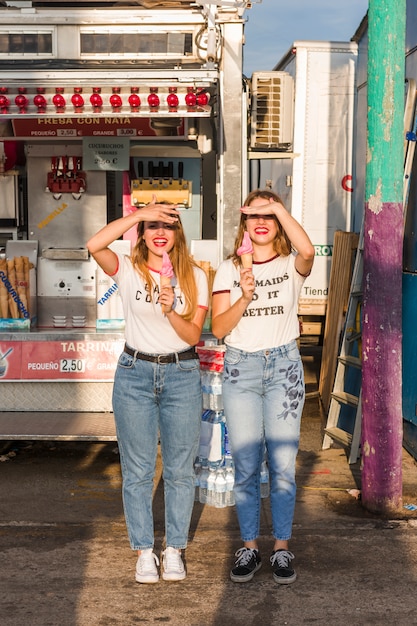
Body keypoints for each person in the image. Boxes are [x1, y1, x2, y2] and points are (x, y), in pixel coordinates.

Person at [86, 196, 208, 584]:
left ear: (178, 234)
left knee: (178, 470)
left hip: (181, 373)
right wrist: (139, 213)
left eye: (168, 225)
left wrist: (172, 308)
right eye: (153, 226)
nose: (160, 233)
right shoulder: (129, 269)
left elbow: (192, 336)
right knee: (137, 471)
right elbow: (94, 245)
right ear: (142, 233)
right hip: (134, 373)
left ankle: (174, 549)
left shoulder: (196, 277)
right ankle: (144, 550)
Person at [211, 189, 315, 585]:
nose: (261, 221)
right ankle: (250, 547)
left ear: (278, 223)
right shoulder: (227, 270)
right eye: (253, 214)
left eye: (268, 216)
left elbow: (308, 251)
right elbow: (219, 328)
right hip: (241, 370)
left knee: (284, 465)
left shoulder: (291, 265)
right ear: (243, 224)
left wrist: (277, 206)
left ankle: (282, 549)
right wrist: (245, 293)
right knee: (247, 465)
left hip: (284, 369)